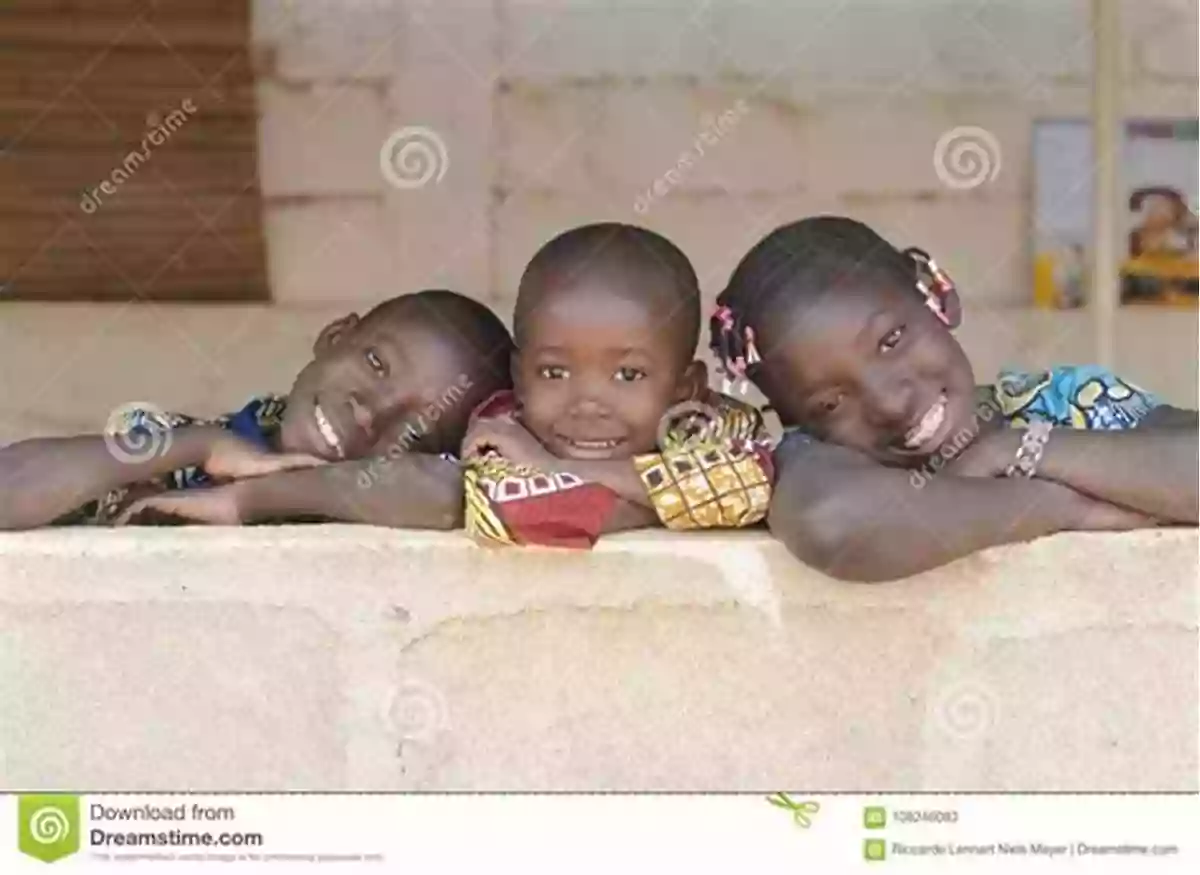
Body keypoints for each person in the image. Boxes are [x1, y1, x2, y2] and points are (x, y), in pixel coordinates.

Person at [711, 216, 1197, 581]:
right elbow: (832, 525)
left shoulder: (1069, 403)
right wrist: (1063, 508)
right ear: (795, 420)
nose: (889, 402)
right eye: (829, 404)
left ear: (936, 295)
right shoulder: (818, 461)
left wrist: (1017, 448)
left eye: (891, 340)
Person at [0, 290, 512, 530]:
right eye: (376, 363)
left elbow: (448, 493)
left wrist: (247, 501)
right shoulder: (180, 455)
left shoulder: (372, 507)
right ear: (335, 336)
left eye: (418, 431)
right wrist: (200, 445)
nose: (370, 414)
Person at [461, 222, 773, 548]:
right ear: (520, 379)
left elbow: (752, 486)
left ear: (687, 388)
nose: (588, 405)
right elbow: (519, 515)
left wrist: (553, 467)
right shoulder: (503, 434)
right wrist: (677, 505)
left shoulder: (714, 422)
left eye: (628, 375)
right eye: (554, 372)